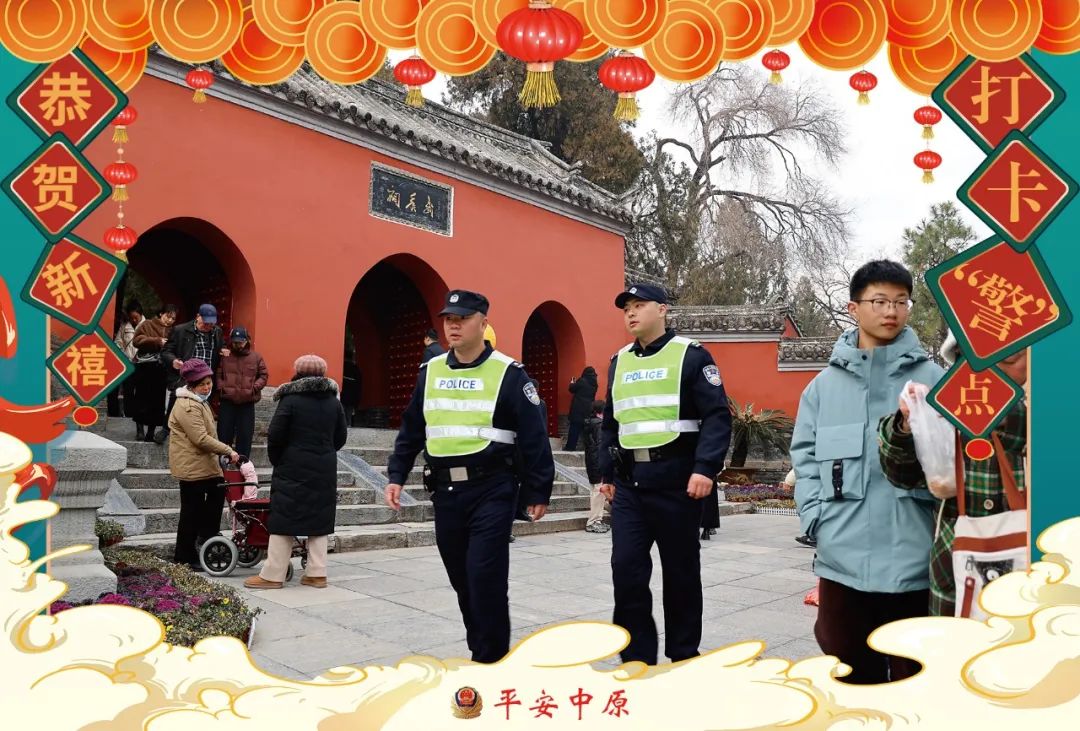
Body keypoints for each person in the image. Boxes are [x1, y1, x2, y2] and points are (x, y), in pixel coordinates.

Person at [791, 260, 943, 685]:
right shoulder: (822, 388)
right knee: (848, 668)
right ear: (853, 308)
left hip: (915, 558)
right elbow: (805, 460)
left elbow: (951, 459)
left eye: (901, 301)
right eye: (879, 301)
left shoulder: (934, 380)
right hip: (842, 559)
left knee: (918, 675)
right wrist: (815, 519)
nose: (891, 311)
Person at [384, 289, 554, 663]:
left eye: (462, 319)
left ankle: (490, 659)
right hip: (445, 491)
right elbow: (412, 428)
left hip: (492, 487)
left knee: (484, 577)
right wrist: (396, 474)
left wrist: (538, 489)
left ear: (483, 323)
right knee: (462, 579)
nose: (453, 326)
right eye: (448, 319)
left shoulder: (509, 373)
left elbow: (534, 436)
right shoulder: (430, 371)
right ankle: (481, 646)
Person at [598, 283, 732, 666]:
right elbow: (611, 423)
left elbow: (716, 416)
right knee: (626, 572)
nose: (631, 313)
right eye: (626, 307)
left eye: (639, 305)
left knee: (681, 576)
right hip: (629, 485)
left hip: (677, 484)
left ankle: (683, 654)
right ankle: (637, 659)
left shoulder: (691, 355)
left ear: (662, 309)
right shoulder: (619, 361)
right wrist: (606, 474)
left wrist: (705, 468)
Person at [879, 332, 1028, 617]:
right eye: (972, 359)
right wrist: (908, 423)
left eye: (1010, 356)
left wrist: (1005, 410)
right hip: (955, 579)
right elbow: (901, 474)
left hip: (1036, 577)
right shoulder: (947, 411)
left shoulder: (1053, 410)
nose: (991, 371)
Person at [245, 355, 347, 590]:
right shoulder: (334, 402)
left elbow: (276, 434)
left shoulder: (290, 399)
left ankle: (273, 575)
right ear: (322, 373)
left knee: (283, 517)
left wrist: (279, 460)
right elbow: (341, 436)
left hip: (292, 465)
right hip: (324, 467)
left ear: (298, 372)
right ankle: (317, 573)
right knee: (320, 517)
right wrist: (324, 451)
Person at [168, 359, 238, 571]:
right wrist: (228, 450)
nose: (207, 387)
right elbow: (200, 438)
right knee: (191, 511)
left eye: (209, 383)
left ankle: (206, 537)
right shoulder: (188, 406)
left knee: (217, 495)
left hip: (204, 465)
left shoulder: (199, 401)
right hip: (192, 467)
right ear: (191, 385)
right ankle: (184, 555)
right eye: (202, 384)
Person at [160, 304, 226, 441]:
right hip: (186, 376)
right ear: (198, 317)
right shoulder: (180, 330)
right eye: (205, 323)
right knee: (176, 403)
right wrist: (173, 361)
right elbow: (166, 351)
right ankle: (166, 429)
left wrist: (223, 350)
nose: (208, 326)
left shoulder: (217, 332)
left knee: (201, 409)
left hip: (206, 377)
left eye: (211, 324)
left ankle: (198, 436)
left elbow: (221, 347)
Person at [216, 326, 268, 459]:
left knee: (245, 435)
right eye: (235, 342)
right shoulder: (225, 356)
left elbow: (263, 375)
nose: (237, 345)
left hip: (247, 402)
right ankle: (223, 463)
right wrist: (222, 388)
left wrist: (254, 388)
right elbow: (218, 374)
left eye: (240, 342)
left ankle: (243, 464)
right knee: (224, 434)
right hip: (227, 401)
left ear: (247, 341)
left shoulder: (256, 357)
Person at [131, 304, 177, 443]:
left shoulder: (174, 331)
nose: (170, 320)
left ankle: (151, 432)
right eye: (168, 316)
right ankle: (139, 430)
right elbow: (136, 341)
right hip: (145, 367)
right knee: (141, 398)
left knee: (157, 401)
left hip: (161, 369)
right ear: (161, 313)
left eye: (173, 318)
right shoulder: (148, 324)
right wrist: (156, 341)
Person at [111, 300, 144, 422]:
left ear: (141, 314)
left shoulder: (148, 325)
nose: (134, 320)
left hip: (142, 363)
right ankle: (128, 414)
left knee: (140, 390)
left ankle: (138, 413)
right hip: (127, 362)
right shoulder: (125, 326)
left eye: (136, 317)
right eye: (131, 318)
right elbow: (118, 342)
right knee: (128, 389)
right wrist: (123, 356)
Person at [582, 399, 609, 534]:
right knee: (598, 492)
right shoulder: (599, 425)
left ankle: (597, 520)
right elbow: (600, 445)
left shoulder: (589, 423)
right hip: (598, 462)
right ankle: (593, 521)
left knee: (596, 491)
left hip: (591, 461)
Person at [564, 366, 598, 451]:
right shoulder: (595, 384)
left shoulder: (582, 381)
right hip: (589, 409)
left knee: (574, 429)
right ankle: (587, 448)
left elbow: (572, 389)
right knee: (586, 431)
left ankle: (570, 447)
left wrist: (572, 382)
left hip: (578, 409)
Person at [341, 348, 362, 427]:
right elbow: (358, 386)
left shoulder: (341, 367)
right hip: (352, 397)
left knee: (341, 415)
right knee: (348, 416)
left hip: (342, 395)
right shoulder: (355, 369)